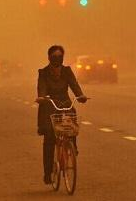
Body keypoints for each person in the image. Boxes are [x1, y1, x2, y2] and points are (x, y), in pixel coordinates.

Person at [36, 45, 88, 184]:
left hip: (65, 103)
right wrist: (41, 97)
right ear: (49, 57)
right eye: (54, 56)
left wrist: (80, 95)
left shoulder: (67, 71)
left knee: (71, 125)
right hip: (49, 105)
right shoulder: (43, 72)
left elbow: (74, 85)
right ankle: (48, 173)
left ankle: (72, 146)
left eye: (60, 56)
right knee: (49, 139)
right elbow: (41, 87)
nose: (57, 59)